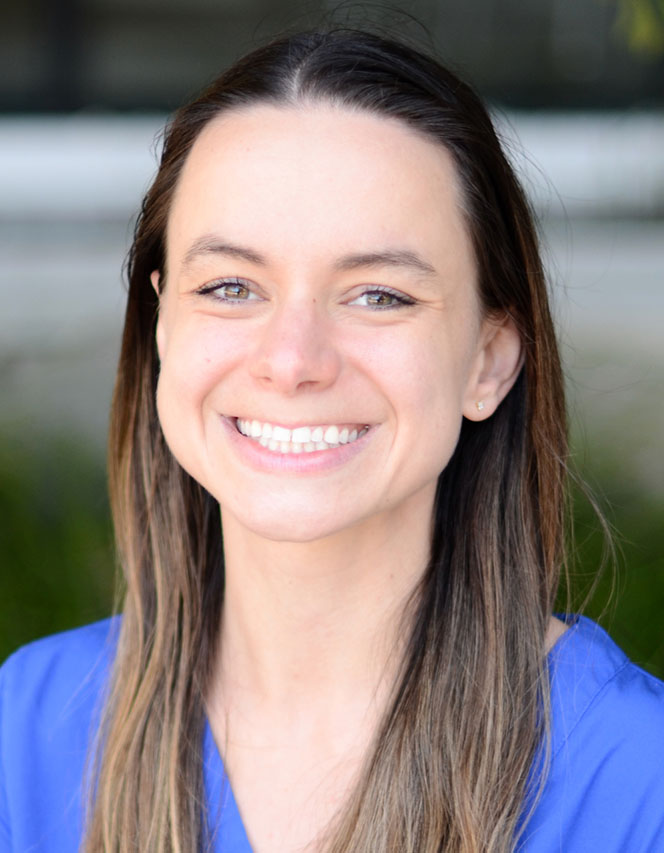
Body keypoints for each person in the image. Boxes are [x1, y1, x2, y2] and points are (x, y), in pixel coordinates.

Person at [1, 28, 663, 853]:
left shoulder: (636, 780)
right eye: (231, 286)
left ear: (489, 359)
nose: (292, 360)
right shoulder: (26, 733)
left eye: (378, 295)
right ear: (163, 323)